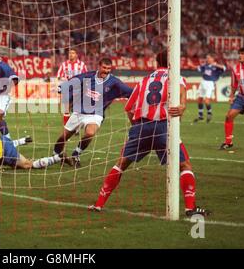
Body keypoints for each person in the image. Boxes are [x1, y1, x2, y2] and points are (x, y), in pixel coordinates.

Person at [88, 51, 210, 217]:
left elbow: (128, 108)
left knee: (121, 164)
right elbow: (181, 99)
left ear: (155, 63)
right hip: (163, 128)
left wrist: (137, 128)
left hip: (141, 127)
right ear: (173, 61)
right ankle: (190, 208)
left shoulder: (144, 80)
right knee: (184, 166)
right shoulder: (176, 77)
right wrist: (182, 106)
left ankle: (99, 204)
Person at [53, 57, 133, 167]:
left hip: (96, 114)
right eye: (104, 67)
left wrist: (142, 93)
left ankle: (76, 154)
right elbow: (74, 80)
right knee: (63, 137)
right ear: (99, 66)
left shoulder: (114, 82)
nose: (106, 70)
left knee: (90, 133)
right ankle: (55, 156)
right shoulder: (88, 76)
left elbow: (130, 92)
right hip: (79, 112)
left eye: (109, 68)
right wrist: (62, 87)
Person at [56, 49, 88, 125]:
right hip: (68, 89)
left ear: (76, 55)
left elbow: (87, 76)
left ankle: (76, 127)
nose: (71, 54)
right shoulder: (64, 65)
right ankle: (67, 128)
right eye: (70, 53)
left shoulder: (82, 64)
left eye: (73, 53)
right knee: (66, 109)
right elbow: (58, 76)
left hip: (79, 89)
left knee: (77, 109)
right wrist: (65, 80)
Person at [193, 54, 226, 123]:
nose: (207, 59)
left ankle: (209, 113)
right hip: (203, 82)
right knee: (199, 99)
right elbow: (198, 68)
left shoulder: (216, 67)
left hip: (210, 83)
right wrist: (191, 65)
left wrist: (215, 65)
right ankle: (200, 115)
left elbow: (224, 68)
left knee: (206, 100)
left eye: (208, 58)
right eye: (206, 58)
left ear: (212, 59)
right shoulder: (205, 66)